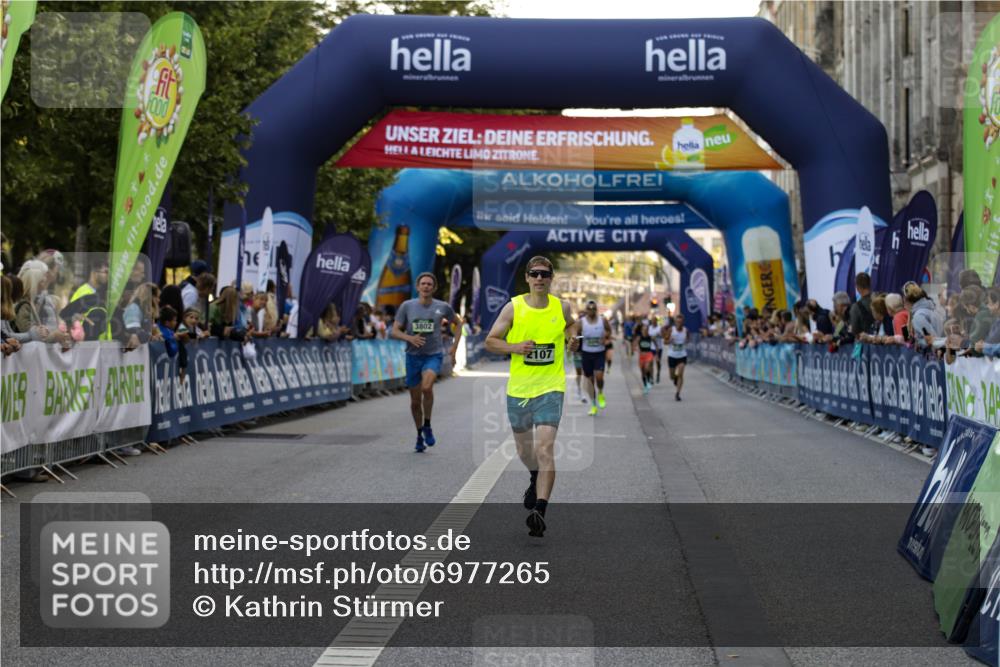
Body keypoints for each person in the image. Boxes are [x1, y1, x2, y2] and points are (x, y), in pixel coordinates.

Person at [485, 256, 577, 538]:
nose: (539, 278)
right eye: (534, 274)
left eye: (544, 274)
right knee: (526, 452)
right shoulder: (514, 307)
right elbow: (490, 341)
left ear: (551, 278)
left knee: (545, 449)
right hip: (520, 391)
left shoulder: (561, 306)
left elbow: (571, 324)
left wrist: (572, 337)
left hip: (551, 387)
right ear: (527, 278)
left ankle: (540, 509)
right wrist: (514, 347)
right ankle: (534, 475)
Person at [391, 272, 462, 453]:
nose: (426, 286)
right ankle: (419, 434)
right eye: (423, 284)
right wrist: (410, 338)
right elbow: (395, 331)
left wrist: (454, 348)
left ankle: (428, 424)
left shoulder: (442, 307)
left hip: (433, 355)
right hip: (413, 357)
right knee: (415, 402)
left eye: (430, 284)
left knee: (427, 388)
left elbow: (458, 323)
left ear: (434, 288)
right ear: (417, 287)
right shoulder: (407, 306)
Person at [574, 299, 611, 416]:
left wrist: (605, 337)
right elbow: (576, 334)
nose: (591, 310)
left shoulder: (603, 320)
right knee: (590, 381)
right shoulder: (581, 322)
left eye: (593, 308)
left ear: (597, 309)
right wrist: (577, 341)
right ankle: (593, 404)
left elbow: (609, 331)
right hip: (586, 354)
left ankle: (600, 392)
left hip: (599, 353)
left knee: (599, 377)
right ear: (586, 310)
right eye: (589, 308)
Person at [665, 313, 689, 401]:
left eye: (680, 322)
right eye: (677, 322)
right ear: (675, 322)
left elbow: (688, 339)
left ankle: (677, 394)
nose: (679, 323)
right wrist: (669, 340)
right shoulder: (671, 330)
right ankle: (675, 379)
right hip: (672, 355)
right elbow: (665, 342)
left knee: (681, 374)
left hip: (682, 355)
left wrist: (686, 340)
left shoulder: (686, 330)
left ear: (683, 322)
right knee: (671, 376)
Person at [633, 321, 655, 394]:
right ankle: (645, 386)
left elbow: (655, 344)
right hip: (641, 356)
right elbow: (634, 345)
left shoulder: (650, 337)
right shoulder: (639, 337)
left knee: (647, 368)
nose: (645, 331)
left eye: (646, 330)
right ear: (641, 330)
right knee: (642, 373)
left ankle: (649, 381)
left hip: (648, 354)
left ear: (648, 330)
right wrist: (637, 349)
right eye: (643, 330)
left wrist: (657, 351)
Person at [648, 314, 664, 383]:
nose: (653, 322)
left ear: (657, 321)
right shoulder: (649, 328)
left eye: (654, 321)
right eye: (652, 321)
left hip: (659, 348)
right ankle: (651, 377)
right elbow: (648, 336)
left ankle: (658, 374)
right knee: (651, 363)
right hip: (651, 348)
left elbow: (662, 336)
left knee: (657, 362)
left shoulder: (659, 328)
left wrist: (658, 335)